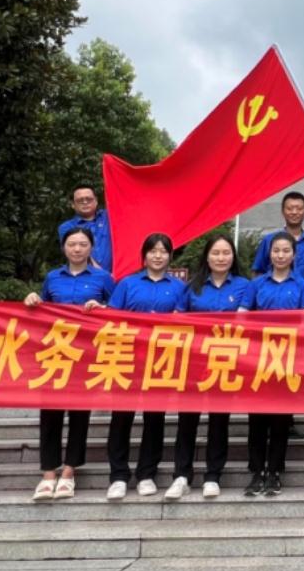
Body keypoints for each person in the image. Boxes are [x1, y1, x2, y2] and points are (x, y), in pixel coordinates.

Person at [90, 232, 186, 500]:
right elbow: (112, 316)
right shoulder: (127, 284)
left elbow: (184, 320)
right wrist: (98, 309)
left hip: (160, 360)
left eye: (163, 251)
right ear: (144, 256)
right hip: (127, 358)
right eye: (153, 251)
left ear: (170, 256)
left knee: (155, 419)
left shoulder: (179, 287)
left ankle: (147, 474)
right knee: (121, 418)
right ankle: (118, 475)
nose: (158, 256)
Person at [22, 228, 115, 501]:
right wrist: (32, 301)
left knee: (79, 413)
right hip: (55, 353)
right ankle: (48, 472)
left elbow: (117, 311)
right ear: (64, 247)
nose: (77, 249)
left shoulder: (103, 278)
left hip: (86, 354)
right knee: (49, 412)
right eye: (72, 244)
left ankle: (69, 471)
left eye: (83, 244)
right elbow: (42, 309)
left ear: (91, 248)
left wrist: (102, 308)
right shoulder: (53, 277)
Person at [170, 233, 249, 499]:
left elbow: (243, 322)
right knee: (187, 420)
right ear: (207, 257)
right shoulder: (192, 286)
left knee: (219, 420)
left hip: (225, 360)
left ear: (233, 257)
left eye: (226, 253)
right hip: (194, 360)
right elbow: (178, 319)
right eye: (216, 253)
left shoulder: (243, 286)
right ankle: (181, 475)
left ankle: (213, 475)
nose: (221, 258)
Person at [240, 232, 304, 496]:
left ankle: (275, 471)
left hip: (288, 358)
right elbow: (242, 317)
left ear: (294, 255)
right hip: (259, 358)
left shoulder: (301, 284)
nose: (280, 255)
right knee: (257, 419)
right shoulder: (256, 284)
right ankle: (256, 471)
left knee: (281, 420)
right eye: (276, 251)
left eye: (286, 251)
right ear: (269, 254)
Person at [251, 192, 304, 282]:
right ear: (282, 211)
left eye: (299, 209)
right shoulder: (269, 240)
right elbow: (257, 272)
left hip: (303, 290)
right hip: (273, 290)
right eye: (289, 208)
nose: (294, 212)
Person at [58, 183, 113, 272]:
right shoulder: (67, 227)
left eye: (89, 199)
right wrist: (103, 275)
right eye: (80, 200)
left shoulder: (109, 216)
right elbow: (76, 253)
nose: (85, 202)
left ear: (96, 201)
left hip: (120, 274)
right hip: (86, 275)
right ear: (73, 204)